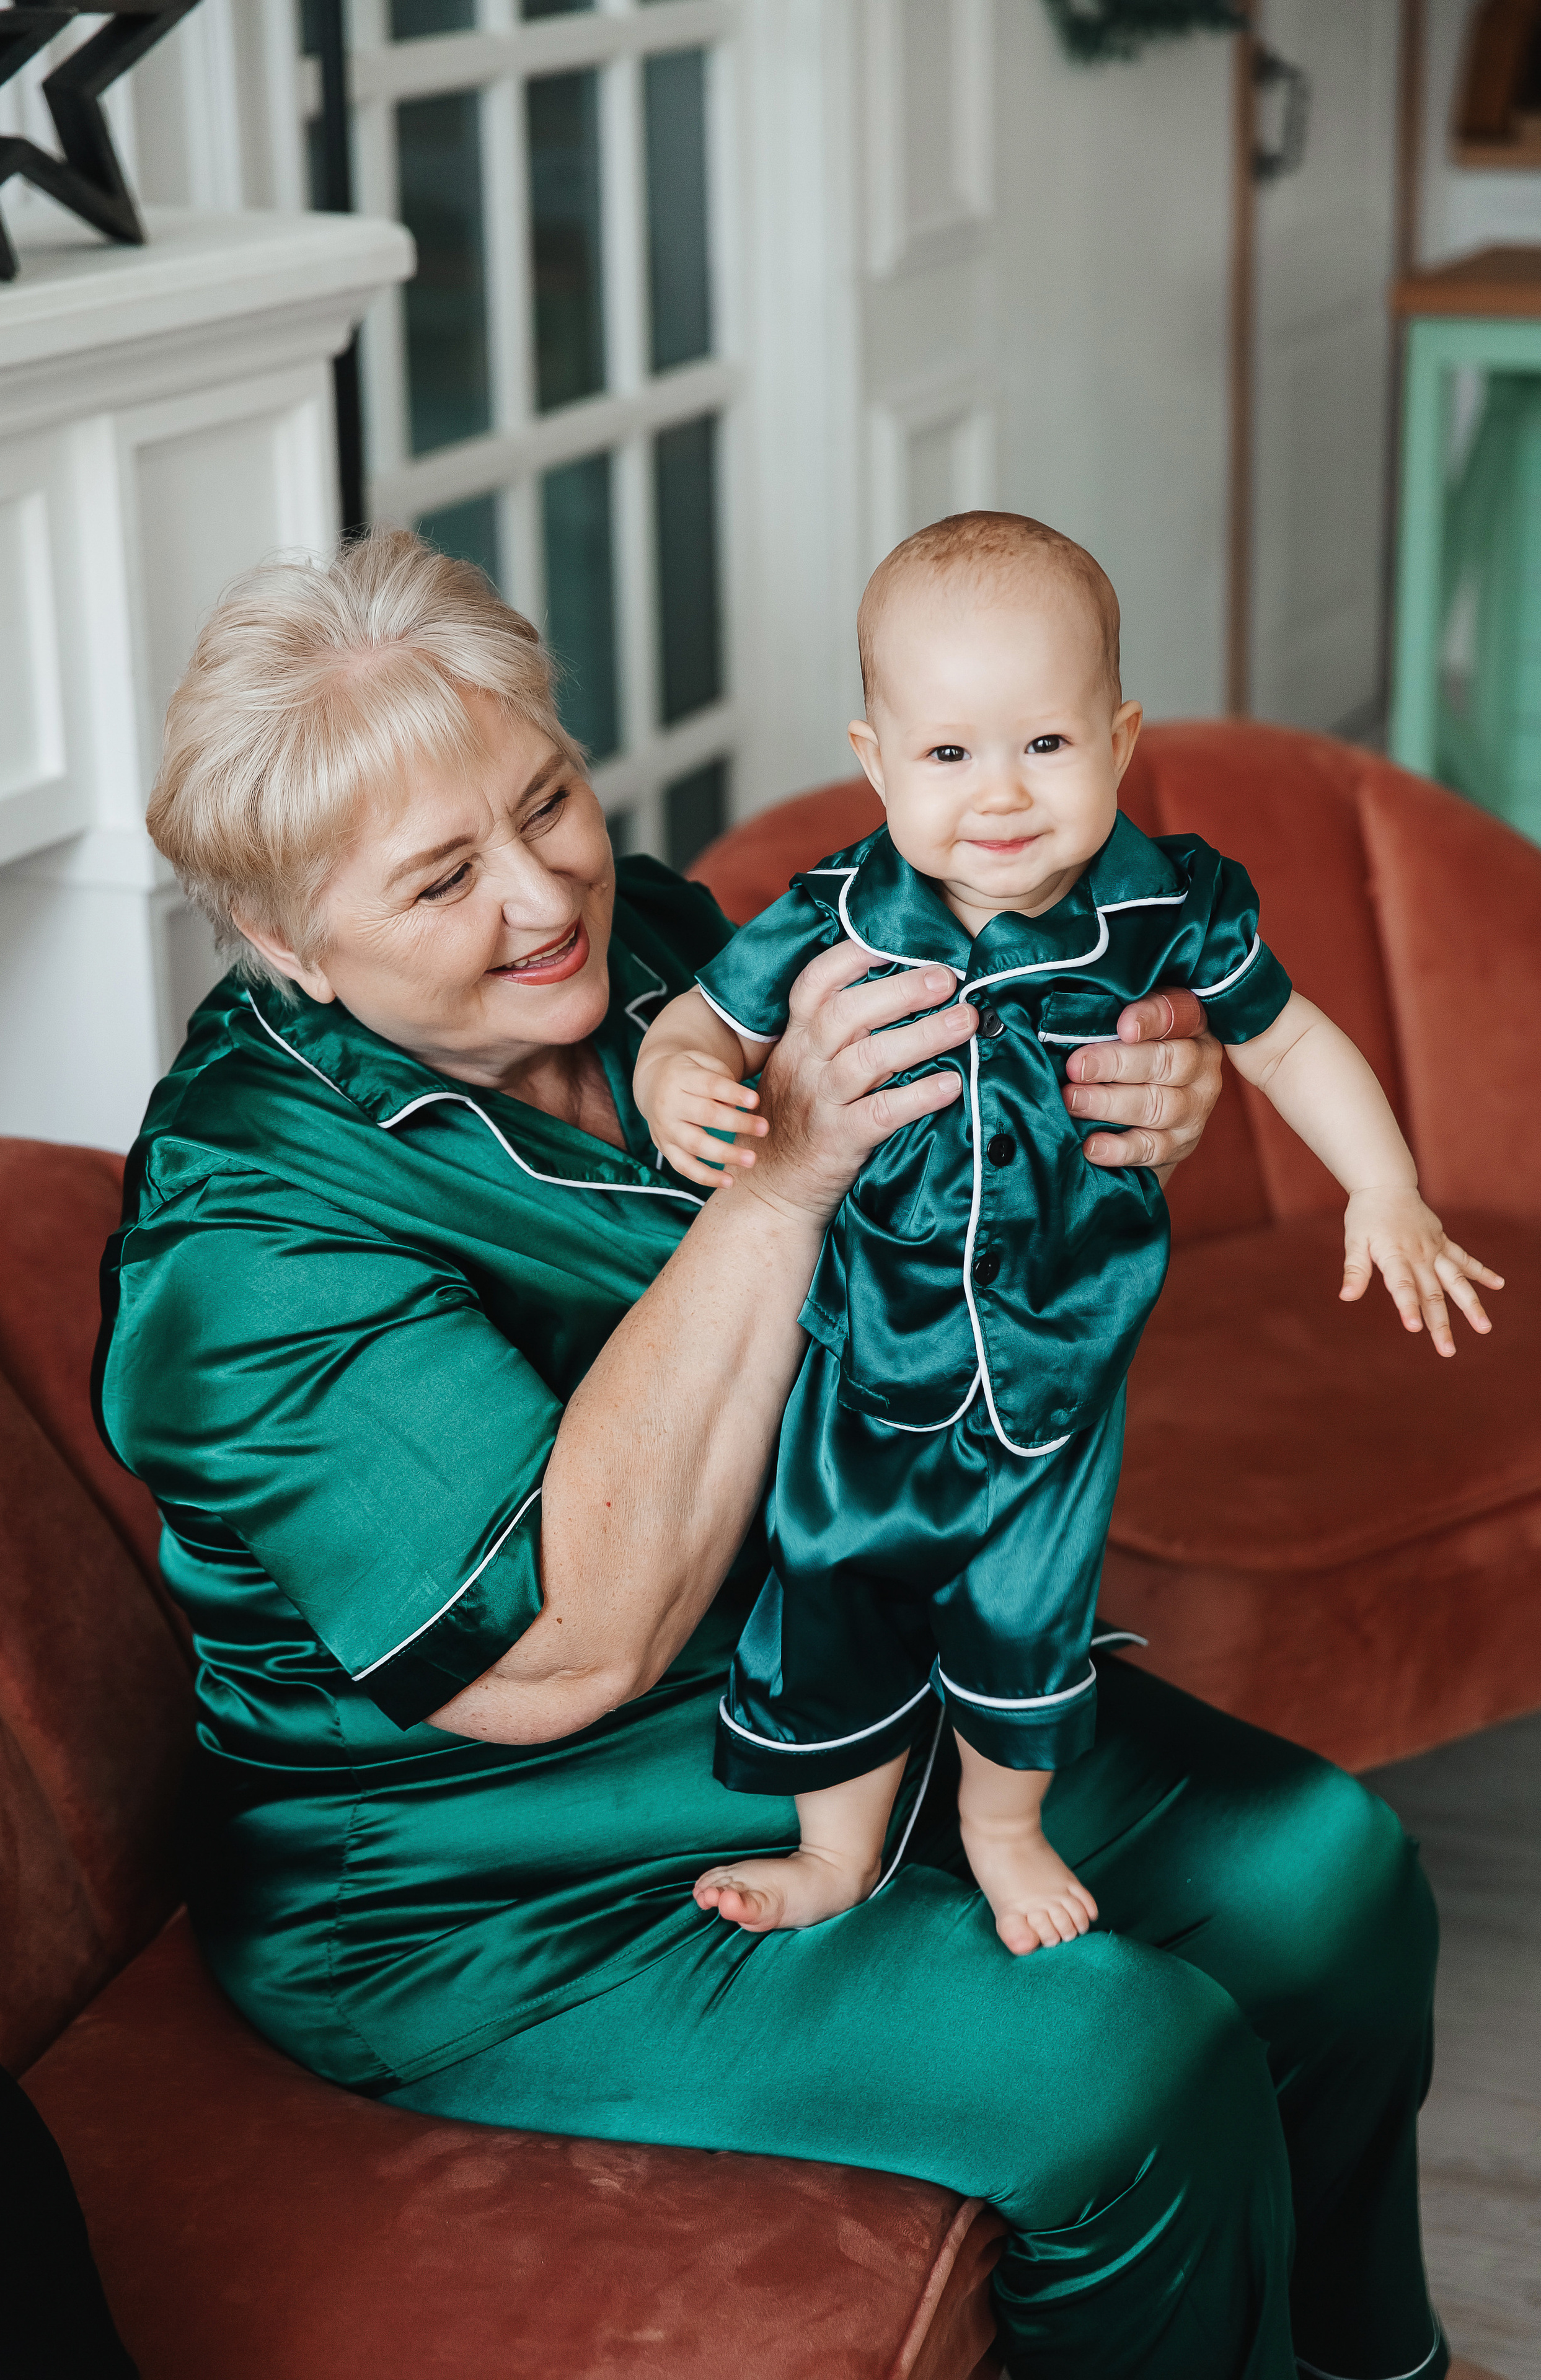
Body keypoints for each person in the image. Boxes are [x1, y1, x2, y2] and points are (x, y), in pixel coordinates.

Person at [94, 526, 1454, 2380]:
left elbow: (986, 1160)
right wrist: (788, 1185)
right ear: (279, 938)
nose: (542, 897)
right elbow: (567, 1651)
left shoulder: (651, 939)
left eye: (546, 799)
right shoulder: (247, 1238)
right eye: (440, 880)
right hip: (490, 1876)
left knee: (1331, 1875)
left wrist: (1148, 1092)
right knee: (1129, 2065)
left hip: (841, 1675)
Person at [634, 512, 1502, 1956]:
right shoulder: (837, 911)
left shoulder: (1166, 908)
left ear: (1117, 736)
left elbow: (1286, 1045)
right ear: (875, 763)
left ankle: (1000, 1827)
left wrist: (1383, 1184)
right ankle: (832, 1849)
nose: (1000, 797)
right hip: (862, 1367)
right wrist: (679, 1083)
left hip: (1055, 1367)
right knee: (833, 1585)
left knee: (1025, 1609)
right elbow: (701, 1022)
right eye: (947, 754)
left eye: (1043, 746)